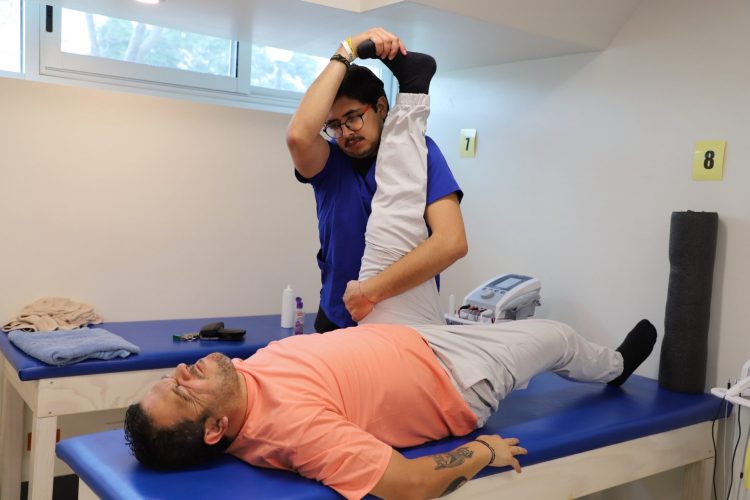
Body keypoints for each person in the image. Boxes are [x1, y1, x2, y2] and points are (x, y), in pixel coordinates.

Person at [124, 46, 659, 500]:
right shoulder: (292, 429)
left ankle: (414, 90)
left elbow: (450, 243)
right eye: (184, 390)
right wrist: (480, 453)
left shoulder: (240, 380)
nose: (184, 370)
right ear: (216, 429)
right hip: (450, 377)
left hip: (386, 323)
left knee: (390, 218)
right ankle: (613, 366)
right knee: (556, 336)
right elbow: (407, 483)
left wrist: (347, 50)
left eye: (171, 378)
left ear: (380, 108)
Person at [286, 27, 467, 331]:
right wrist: (347, 49)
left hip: (402, 322)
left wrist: (371, 292)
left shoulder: (421, 153)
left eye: (353, 118)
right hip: (337, 320)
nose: (345, 132)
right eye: (334, 125)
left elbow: (451, 242)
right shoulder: (329, 163)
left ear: (381, 107)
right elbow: (298, 136)